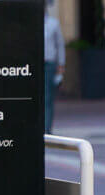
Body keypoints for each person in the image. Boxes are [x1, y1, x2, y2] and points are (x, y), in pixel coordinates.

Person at [43, 0, 63, 133]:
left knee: (48, 97)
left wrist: (61, 64)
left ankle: (47, 128)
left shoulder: (53, 23)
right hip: (33, 65)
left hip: (49, 63)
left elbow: (60, 45)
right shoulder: (30, 22)